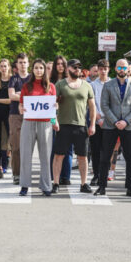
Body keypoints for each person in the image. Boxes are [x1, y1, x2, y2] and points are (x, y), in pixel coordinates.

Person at [95, 58, 131, 196]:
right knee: (105, 157)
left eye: (124, 67)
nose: (122, 70)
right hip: (111, 126)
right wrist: (115, 121)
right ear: (115, 69)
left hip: (128, 126)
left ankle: (130, 187)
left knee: (130, 158)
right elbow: (104, 105)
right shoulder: (108, 85)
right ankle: (102, 186)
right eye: (119, 67)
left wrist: (126, 121)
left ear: (128, 69)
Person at [52, 58, 96, 194]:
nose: (77, 69)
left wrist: (92, 124)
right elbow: (52, 104)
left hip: (81, 126)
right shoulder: (60, 84)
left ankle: (83, 184)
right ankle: (56, 183)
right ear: (68, 69)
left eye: (79, 67)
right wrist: (54, 120)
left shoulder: (87, 85)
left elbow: (92, 107)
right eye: (74, 67)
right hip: (63, 125)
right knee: (59, 155)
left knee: (82, 156)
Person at [18, 58, 57, 196]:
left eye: (41, 68)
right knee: (25, 154)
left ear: (45, 69)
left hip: (45, 123)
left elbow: (52, 108)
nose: (39, 70)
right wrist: (21, 108)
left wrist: (54, 121)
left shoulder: (51, 86)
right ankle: (24, 185)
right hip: (28, 122)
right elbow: (21, 104)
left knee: (45, 156)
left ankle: (46, 185)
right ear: (32, 70)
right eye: (36, 68)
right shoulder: (26, 86)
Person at [49, 55, 73, 185]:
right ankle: (54, 175)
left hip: (67, 118)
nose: (60, 66)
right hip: (53, 118)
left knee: (68, 149)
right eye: (57, 64)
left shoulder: (70, 81)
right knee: (54, 147)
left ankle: (66, 176)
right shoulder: (50, 82)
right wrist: (53, 121)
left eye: (62, 64)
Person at [7, 53, 30, 185]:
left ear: (28, 63)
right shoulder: (13, 79)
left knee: (28, 147)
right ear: (17, 64)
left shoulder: (32, 78)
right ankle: (16, 173)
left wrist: (20, 94)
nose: (22, 64)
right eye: (20, 62)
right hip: (15, 114)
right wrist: (26, 95)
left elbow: (36, 94)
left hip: (31, 114)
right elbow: (11, 96)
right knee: (16, 146)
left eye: (24, 62)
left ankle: (26, 173)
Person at [88, 59, 110, 186]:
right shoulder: (92, 85)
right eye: (101, 69)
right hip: (96, 122)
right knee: (95, 151)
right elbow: (91, 104)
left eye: (105, 68)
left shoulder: (113, 83)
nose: (103, 71)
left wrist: (107, 119)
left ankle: (104, 175)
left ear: (108, 69)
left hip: (109, 122)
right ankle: (96, 175)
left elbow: (114, 103)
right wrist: (98, 119)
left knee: (106, 151)